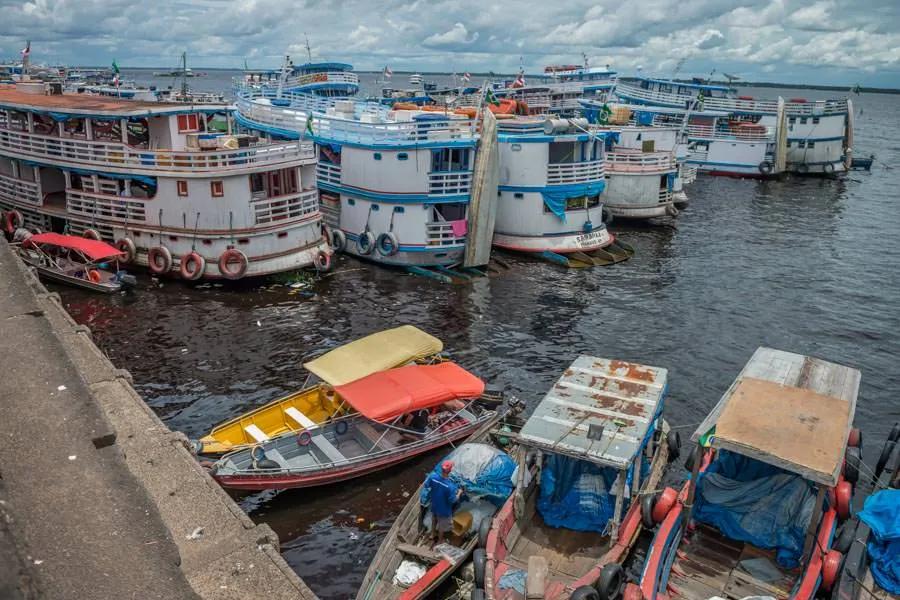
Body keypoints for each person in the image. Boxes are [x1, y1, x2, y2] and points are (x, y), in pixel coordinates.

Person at [425, 460, 462, 546]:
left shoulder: (432, 477)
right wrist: (459, 493)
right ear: (450, 471)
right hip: (444, 509)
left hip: (434, 504)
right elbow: (453, 501)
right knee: (442, 525)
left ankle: (432, 534)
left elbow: (427, 486)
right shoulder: (450, 487)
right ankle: (440, 541)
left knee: (434, 517)